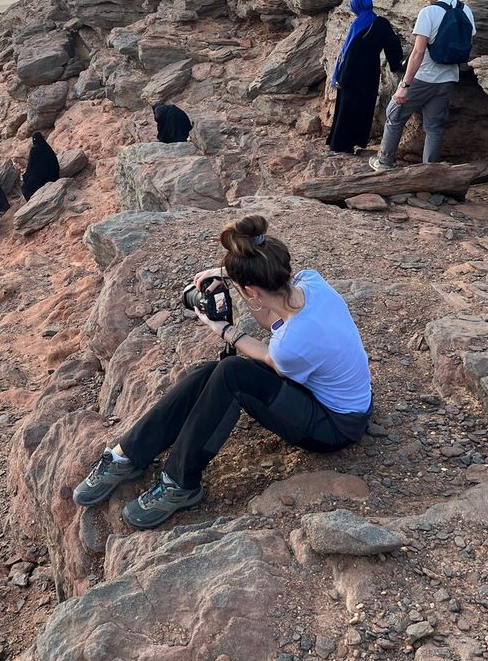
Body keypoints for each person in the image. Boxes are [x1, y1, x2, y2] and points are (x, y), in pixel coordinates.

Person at [73, 214, 372, 530]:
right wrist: (229, 274)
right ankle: (127, 454)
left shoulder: (292, 344)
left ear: (252, 290)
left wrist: (220, 327)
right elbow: (271, 318)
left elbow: (270, 354)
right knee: (210, 374)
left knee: (231, 374)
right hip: (326, 392)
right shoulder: (312, 282)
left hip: (335, 427)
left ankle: (180, 485)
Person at [369, 0, 475, 171]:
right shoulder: (465, 10)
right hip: (449, 77)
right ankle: (429, 172)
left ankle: (384, 162)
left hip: (424, 77)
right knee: (434, 128)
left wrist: (405, 85)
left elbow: (418, 52)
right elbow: (468, 42)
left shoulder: (429, 12)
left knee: (394, 115)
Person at [326, 0, 403, 154]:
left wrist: (342, 78)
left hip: (351, 74)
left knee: (346, 108)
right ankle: (356, 141)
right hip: (369, 73)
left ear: (357, 7)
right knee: (363, 107)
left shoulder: (358, 24)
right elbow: (393, 45)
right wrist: (396, 65)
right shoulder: (381, 23)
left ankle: (341, 145)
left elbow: (349, 55)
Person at [21, 132, 60, 201]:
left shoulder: (34, 150)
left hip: (43, 178)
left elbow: (30, 165)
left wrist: (25, 176)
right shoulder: (47, 147)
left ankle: (32, 200)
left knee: (25, 186)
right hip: (54, 175)